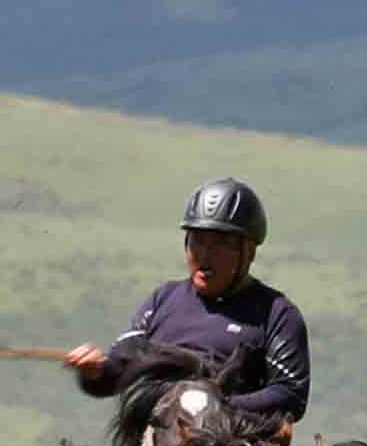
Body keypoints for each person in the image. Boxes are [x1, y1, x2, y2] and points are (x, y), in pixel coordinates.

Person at [65, 177, 313, 424]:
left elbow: (291, 394)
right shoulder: (163, 299)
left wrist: (215, 406)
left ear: (249, 252)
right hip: (156, 443)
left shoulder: (277, 314)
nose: (205, 256)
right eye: (198, 242)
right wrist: (95, 371)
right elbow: (118, 371)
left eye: (220, 245)